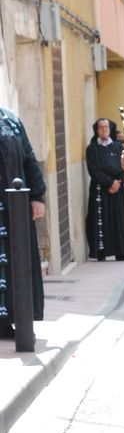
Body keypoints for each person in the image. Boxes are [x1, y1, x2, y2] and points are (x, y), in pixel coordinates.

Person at [0, 107, 45, 339]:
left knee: (17, 264)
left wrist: (37, 196)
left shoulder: (11, 120)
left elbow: (29, 157)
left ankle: (15, 320)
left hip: (13, 210)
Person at [85, 119, 124, 261]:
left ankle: (121, 252)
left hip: (118, 190)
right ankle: (101, 252)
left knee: (119, 220)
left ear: (110, 129)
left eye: (106, 127)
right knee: (101, 221)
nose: (104, 129)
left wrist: (119, 181)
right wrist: (110, 182)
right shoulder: (92, 149)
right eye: (101, 127)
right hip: (101, 190)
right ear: (97, 130)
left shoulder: (119, 147)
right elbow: (94, 170)